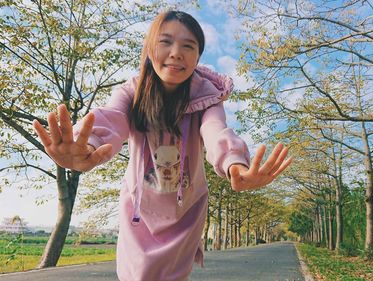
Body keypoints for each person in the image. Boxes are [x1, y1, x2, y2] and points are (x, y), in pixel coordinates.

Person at [32, 10, 292, 281]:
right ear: (149, 48)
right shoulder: (131, 92)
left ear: (198, 57)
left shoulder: (208, 98)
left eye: (188, 46)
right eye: (165, 42)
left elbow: (216, 131)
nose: (176, 52)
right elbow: (112, 118)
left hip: (185, 211)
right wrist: (87, 145)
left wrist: (234, 163)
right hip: (139, 211)